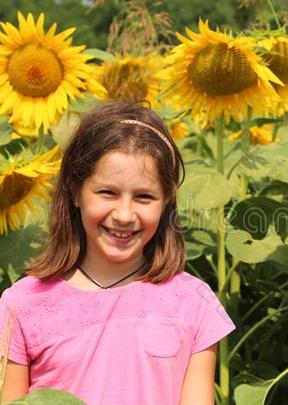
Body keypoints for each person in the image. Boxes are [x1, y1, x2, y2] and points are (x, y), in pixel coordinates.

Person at [0, 102, 234, 404]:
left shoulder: (192, 303)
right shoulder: (22, 304)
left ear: (167, 202)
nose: (124, 214)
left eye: (144, 197)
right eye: (107, 193)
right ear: (74, 191)